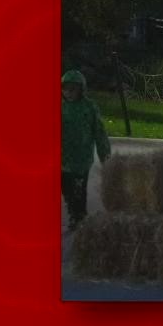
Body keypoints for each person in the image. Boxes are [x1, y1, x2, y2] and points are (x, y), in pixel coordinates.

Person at [61, 70, 111, 231]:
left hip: (82, 158)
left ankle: (80, 215)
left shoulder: (89, 107)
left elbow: (99, 131)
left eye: (73, 89)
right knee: (67, 187)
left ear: (81, 89)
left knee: (79, 189)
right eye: (65, 89)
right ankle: (73, 211)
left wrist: (105, 156)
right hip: (63, 157)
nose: (68, 93)